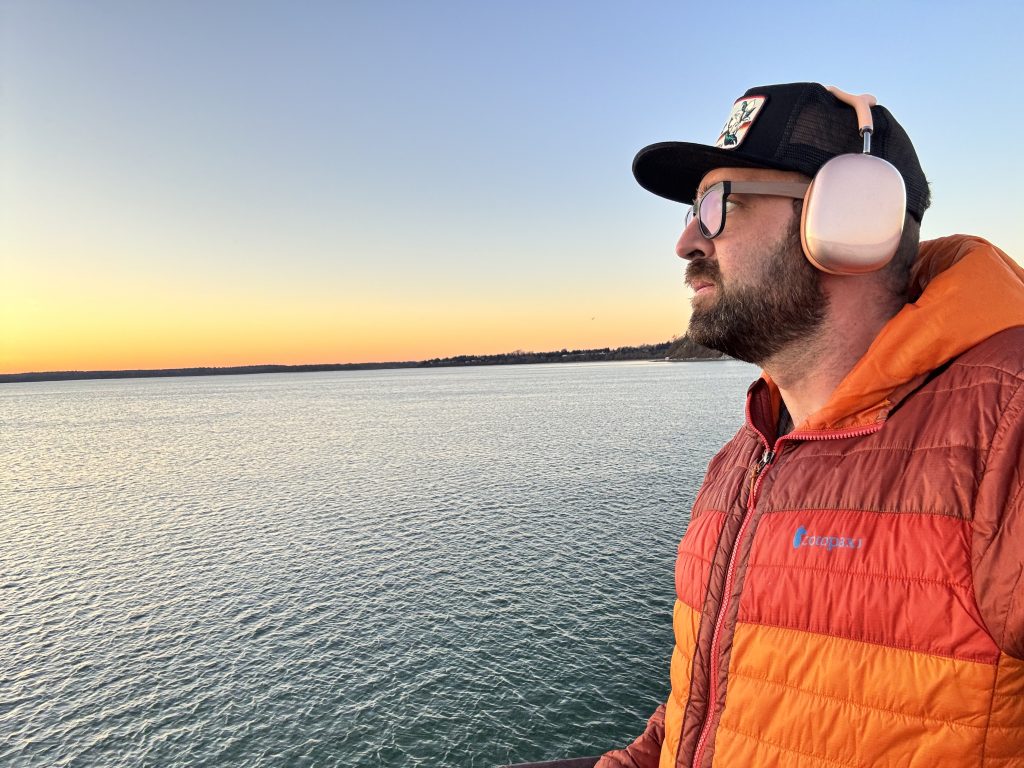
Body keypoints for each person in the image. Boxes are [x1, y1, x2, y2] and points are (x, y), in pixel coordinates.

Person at [596, 82, 1024, 767]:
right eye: (691, 209)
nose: (685, 241)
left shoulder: (1006, 425)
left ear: (850, 219)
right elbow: (698, 711)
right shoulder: (748, 452)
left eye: (717, 206)